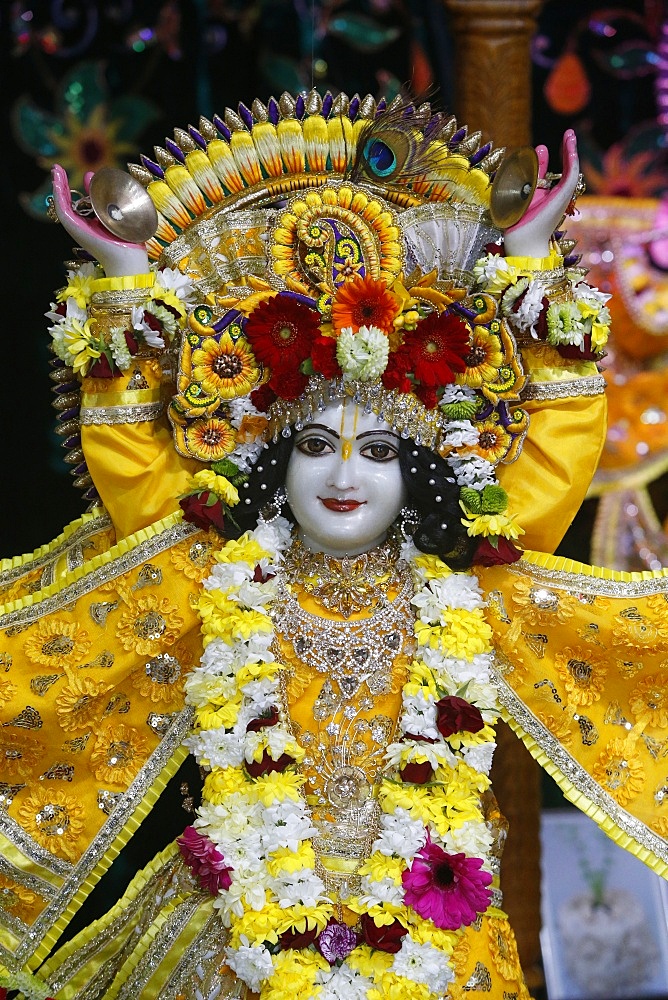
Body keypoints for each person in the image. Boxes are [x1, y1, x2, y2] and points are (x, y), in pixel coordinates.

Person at [0, 91, 666, 1000]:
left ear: (421, 474)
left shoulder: (466, 584)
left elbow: (557, 458)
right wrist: (122, 275)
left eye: (379, 450)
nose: (343, 476)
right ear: (274, 461)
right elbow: (137, 477)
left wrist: (530, 260)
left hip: (436, 939)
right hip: (237, 936)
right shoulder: (219, 573)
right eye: (315, 445)